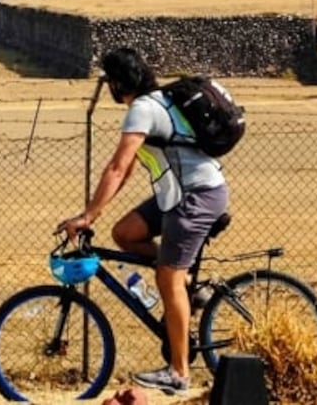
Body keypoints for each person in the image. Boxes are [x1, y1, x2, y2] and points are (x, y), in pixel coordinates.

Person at [57, 47, 229, 397]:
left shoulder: (143, 108)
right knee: (124, 233)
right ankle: (189, 289)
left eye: (110, 82)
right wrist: (99, 212)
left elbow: (117, 166)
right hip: (178, 197)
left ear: (119, 83)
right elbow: (130, 166)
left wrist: (87, 215)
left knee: (168, 277)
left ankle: (179, 373)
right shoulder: (155, 103)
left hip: (197, 196)